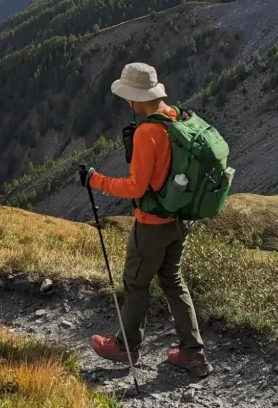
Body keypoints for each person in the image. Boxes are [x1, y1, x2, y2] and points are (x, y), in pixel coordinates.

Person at [80, 62, 214, 379]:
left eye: (128, 97)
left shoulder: (147, 132)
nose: (127, 103)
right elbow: (164, 172)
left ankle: (126, 346)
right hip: (178, 219)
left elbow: (136, 187)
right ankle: (192, 354)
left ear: (136, 97)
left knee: (136, 284)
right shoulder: (177, 118)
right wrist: (134, 154)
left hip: (151, 223)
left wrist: (95, 180)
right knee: (173, 281)